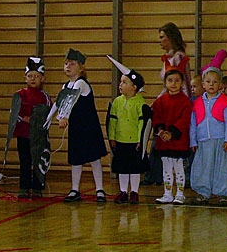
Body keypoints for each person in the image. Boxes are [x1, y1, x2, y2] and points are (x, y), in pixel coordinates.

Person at [48, 49, 108, 203]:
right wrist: (48, 119)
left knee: (94, 158)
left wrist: (63, 116)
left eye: (72, 64)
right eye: (66, 63)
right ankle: (75, 189)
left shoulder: (80, 83)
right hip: (76, 128)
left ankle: (100, 190)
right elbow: (59, 102)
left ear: (81, 68)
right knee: (76, 159)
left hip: (89, 127)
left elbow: (71, 100)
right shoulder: (66, 85)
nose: (68, 66)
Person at [144, 23, 192, 186]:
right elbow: (166, 86)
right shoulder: (168, 58)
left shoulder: (178, 57)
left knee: (171, 136)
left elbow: (182, 83)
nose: (160, 41)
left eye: (162, 37)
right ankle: (155, 175)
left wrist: (183, 104)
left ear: (170, 38)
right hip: (167, 102)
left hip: (176, 104)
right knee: (160, 135)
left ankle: (161, 176)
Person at [190, 50, 227, 206]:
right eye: (208, 82)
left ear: (220, 85)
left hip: (221, 140)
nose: (211, 85)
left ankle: (222, 194)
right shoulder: (197, 103)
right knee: (203, 166)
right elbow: (193, 123)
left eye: (215, 82)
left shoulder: (224, 102)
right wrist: (193, 141)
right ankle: (203, 192)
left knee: (222, 167)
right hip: (203, 141)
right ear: (203, 85)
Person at [107, 56, 152, 205]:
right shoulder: (117, 102)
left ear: (134, 87)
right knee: (122, 168)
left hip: (134, 142)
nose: (120, 85)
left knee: (134, 169)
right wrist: (112, 137)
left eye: (124, 82)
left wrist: (140, 140)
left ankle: (134, 192)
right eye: (121, 82)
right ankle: (123, 191)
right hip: (120, 140)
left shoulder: (140, 103)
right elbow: (112, 121)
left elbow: (142, 124)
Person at [11, 57, 51, 198]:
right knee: (25, 162)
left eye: (37, 76)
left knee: (38, 161)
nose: (33, 79)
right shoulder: (19, 94)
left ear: (43, 79)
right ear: (25, 78)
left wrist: (38, 121)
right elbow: (13, 113)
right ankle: (24, 187)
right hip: (23, 134)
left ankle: (38, 188)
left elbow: (48, 113)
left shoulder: (44, 96)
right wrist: (24, 118)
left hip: (38, 136)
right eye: (30, 76)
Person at [152, 67, 193, 204]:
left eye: (177, 80)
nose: (173, 83)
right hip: (163, 141)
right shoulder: (160, 101)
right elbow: (156, 117)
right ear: (165, 82)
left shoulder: (185, 101)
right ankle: (167, 193)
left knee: (179, 167)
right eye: (170, 80)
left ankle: (180, 194)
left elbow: (184, 120)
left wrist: (172, 133)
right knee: (166, 168)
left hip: (178, 140)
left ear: (182, 83)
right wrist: (161, 132)